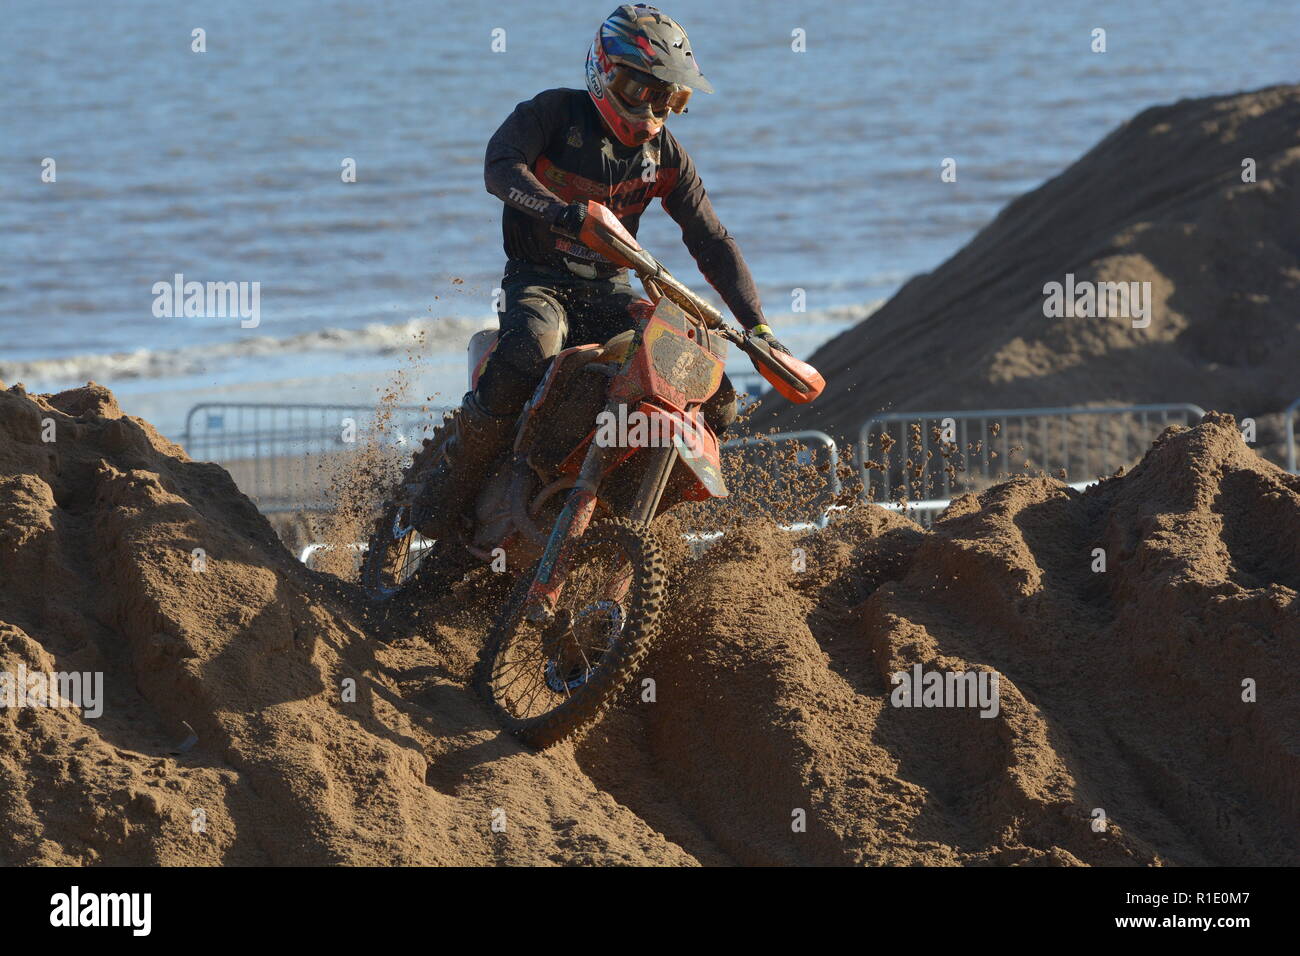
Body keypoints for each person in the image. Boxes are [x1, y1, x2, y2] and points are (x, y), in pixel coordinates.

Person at [422, 3, 789, 538]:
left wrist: (759, 328)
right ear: (603, 71)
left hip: (612, 290)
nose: (653, 106)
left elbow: (710, 239)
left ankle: (622, 514)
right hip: (539, 280)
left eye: (667, 95)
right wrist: (560, 213)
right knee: (528, 352)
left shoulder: (667, 157)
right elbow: (500, 166)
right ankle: (447, 493)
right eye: (641, 89)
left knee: (715, 396)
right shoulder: (552, 114)